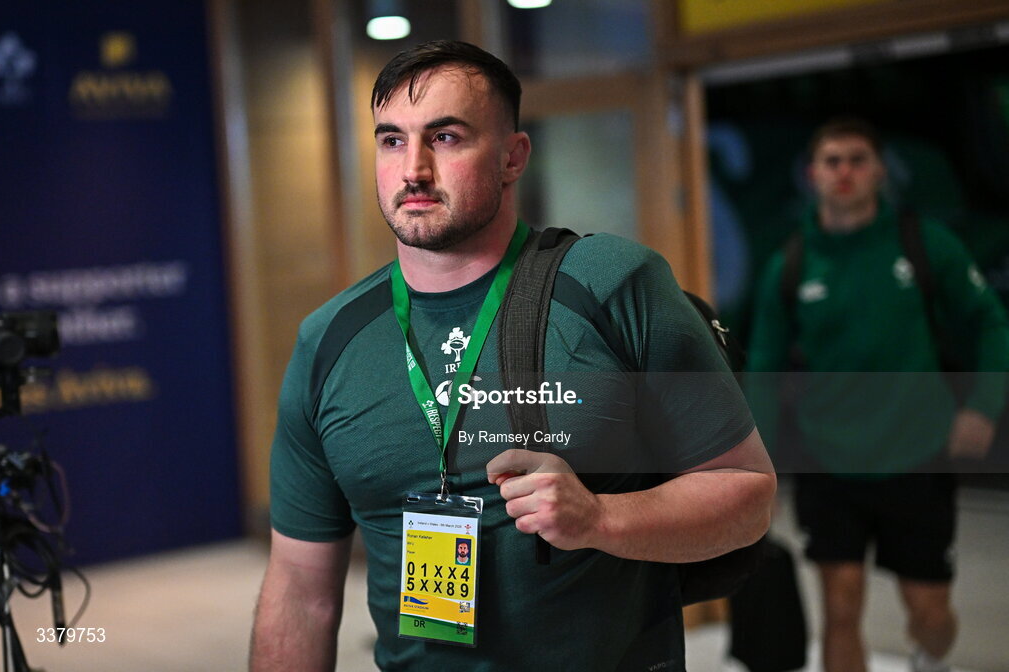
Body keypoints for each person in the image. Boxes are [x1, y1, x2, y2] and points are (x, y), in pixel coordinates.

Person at [250, 40, 775, 672]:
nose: (413, 169)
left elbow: (747, 494)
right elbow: (299, 588)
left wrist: (599, 518)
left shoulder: (612, 284)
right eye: (392, 140)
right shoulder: (328, 339)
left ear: (512, 156)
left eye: (445, 137)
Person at [745, 117, 1009, 672]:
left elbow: (990, 322)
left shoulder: (925, 245)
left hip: (917, 456)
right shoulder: (790, 264)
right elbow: (764, 368)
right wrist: (755, 465)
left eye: (857, 159)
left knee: (929, 613)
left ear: (880, 171)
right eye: (832, 160)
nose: (844, 171)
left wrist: (983, 407)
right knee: (840, 609)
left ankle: (929, 658)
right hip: (828, 463)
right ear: (812, 174)